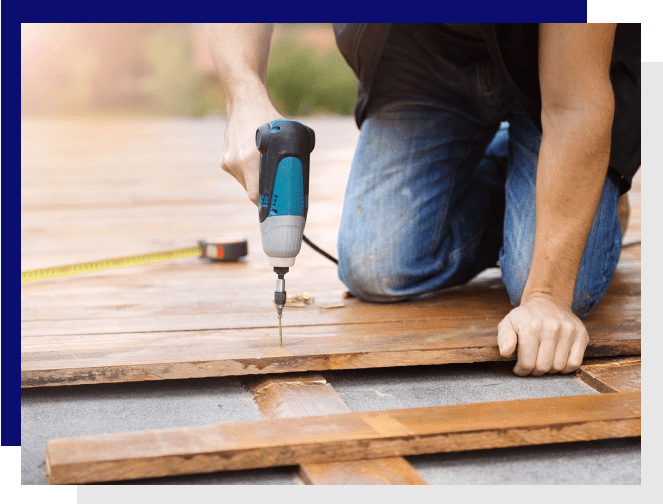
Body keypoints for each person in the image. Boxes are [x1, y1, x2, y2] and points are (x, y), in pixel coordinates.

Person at [205, 23, 641, 376]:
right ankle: (541, 180)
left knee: (564, 286)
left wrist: (546, 296)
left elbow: (574, 104)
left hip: (571, 64)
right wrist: (245, 95)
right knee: (376, 266)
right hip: (421, 51)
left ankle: (591, 184)